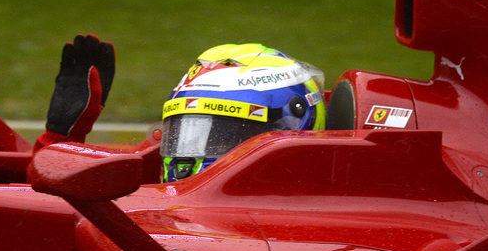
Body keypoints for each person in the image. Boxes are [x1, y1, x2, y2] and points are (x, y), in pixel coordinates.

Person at [36, 35, 327, 182]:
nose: (191, 155)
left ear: (293, 124)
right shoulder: (154, 198)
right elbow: (48, 213)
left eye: (224, 135)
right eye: (186, 130)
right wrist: (60, 140)